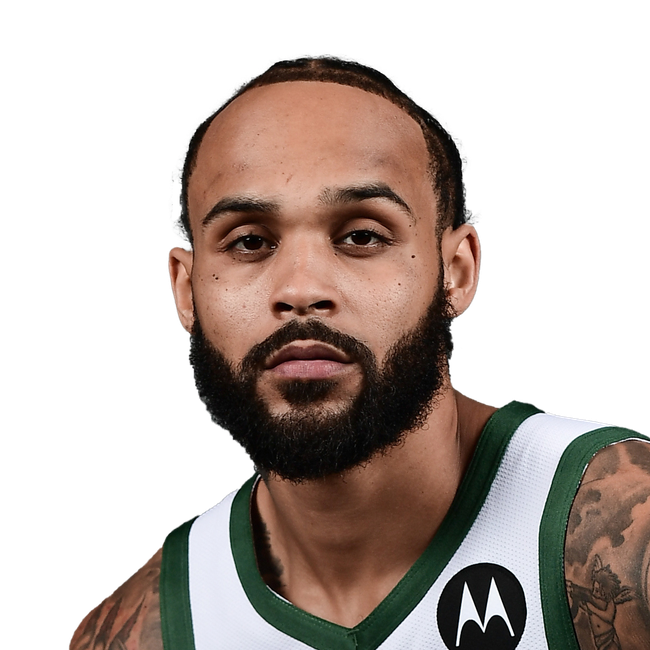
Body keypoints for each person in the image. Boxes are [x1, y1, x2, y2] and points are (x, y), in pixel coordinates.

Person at [69, 54, 649, 650]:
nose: (301, 290)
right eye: (249, 242)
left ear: (457, 271)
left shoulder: (618, 533)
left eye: (362, 236)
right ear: (186, 290)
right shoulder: (143, 635)